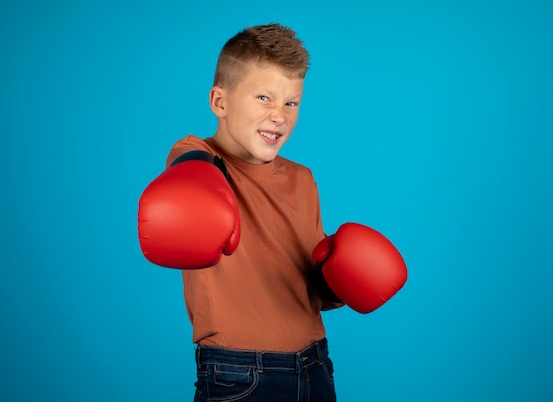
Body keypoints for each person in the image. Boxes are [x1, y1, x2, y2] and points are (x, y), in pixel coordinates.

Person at [138, 23, 407, 402]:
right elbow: (189, 168)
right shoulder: (199, 160)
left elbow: (309, 287)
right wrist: (195, 181)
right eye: (264, 97)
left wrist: (339, 278)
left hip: (314, 365)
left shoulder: (302, 179)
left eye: (291, 102)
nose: (279, 115)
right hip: (239, 372)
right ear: (220, 102)